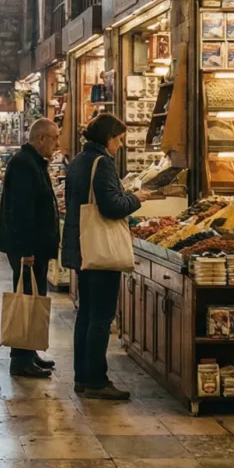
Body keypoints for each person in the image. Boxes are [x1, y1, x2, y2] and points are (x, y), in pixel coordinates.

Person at [61, 114, 152, 400]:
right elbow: (112, 207)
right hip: (100, 250)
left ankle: (82, 377)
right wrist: (138, 199)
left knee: (86, 315)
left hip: (83, 247)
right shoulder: (102, 164)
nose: (121, 144)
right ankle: (96, 382)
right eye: (119, 138)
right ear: (107, 138)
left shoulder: (77, 161)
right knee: (101, 316)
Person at [0, 118, 61, 378]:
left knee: (34, 299)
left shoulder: (34, 162)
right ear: (41, 138)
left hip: (36, 246)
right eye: (54, 138)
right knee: (26, 300)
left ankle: (30, 352)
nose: (57, 144)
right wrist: (26, 250)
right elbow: (21, 211)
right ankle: (20, 359)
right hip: (27, 247)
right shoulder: (24, 164)